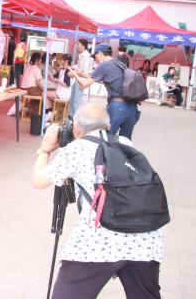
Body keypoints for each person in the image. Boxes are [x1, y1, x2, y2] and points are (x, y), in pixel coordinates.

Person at [32, 104, 164, 298]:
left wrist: (45, 149)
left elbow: (38, 180)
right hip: (146, 238)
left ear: (76, 128)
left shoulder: (77, 148)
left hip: (98, 242)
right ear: (108, 126)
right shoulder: (125, 142)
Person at [70, 43, 140, 140]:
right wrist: (83, 75)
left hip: (117, 107)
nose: (95, 60)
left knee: (105, 138)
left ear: (100, 54)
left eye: (95, 57)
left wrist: (74, 74)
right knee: (125, 142)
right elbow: (104, 80)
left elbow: (83, 85)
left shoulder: (104, 65)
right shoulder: (119, 63)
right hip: (132, 108)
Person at [68, 39, 93, 117]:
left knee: (76, 102)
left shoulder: (86, 56)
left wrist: (73, 73)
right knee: (73, 101)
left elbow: (84, 73)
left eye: (78, 45)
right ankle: (72, 119)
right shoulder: (82, 55)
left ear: (83, 46)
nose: (77, 46)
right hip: (77, 80)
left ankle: (75, 120)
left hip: (80, 81)